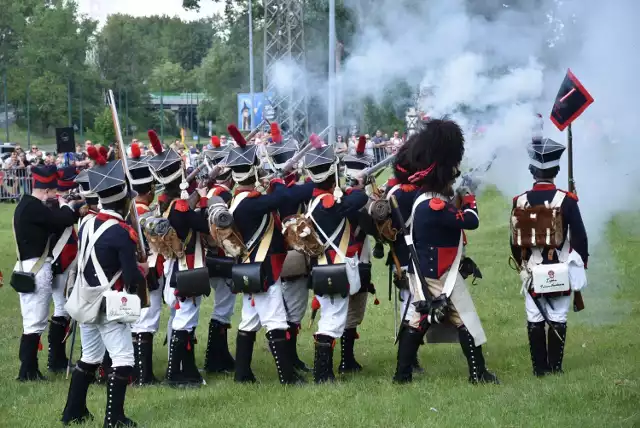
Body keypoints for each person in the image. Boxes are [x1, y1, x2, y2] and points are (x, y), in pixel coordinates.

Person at [392, 119, 498, 385]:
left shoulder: (429, 200)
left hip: (431, 271)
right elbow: (470, 221)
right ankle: (478, 374)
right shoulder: (434, 205)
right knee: (465, 321)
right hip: (438, 275)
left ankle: (402, 374)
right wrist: (470, 198)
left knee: (418, 322)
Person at [61, 146, 145, 427]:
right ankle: (114, 417)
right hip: (108, 302)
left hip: (85, 300)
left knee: (90, 357)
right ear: (123, 202)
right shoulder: (123, 233)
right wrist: (142, 274)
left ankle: (73, 411)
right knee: (123, 360)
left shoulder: (86, 221)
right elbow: (131, 277)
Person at [225, 124, 314, 385]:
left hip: (252, 268)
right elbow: (289, 195)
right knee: (276, 322)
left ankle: (242, 374)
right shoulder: (252, 202)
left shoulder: (243, 198)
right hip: (262, 269)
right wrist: (276, 181)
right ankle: (287, 378)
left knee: (249, 322)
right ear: (254, 170)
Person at [510, 138, 588, 376]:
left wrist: (523, 265)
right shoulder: (568, 200)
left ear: (532, 170)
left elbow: (514, 242)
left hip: (532, 267)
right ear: (556, 170)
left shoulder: (519, 200)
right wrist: (579, 266)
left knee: (535, 317)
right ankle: (555, 368)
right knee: (558, 316)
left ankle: (539, 369)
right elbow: (580, 239)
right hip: (561, 265)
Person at [146, 131, 210, 388]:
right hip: (184, 270)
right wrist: (202, 198)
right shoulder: (181, 207)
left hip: (173, 269)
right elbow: (203, 224)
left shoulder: (164, 202)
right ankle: (175, 374)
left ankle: (184, 370)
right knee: (185, 321)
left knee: (181, 320)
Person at [303, 142, 368, 383]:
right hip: (335, 268)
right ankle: (323, 374)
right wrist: (359, 185)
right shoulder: (329, 203)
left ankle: (325, 372)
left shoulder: (316, 200)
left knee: (331, 318)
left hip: (323, 267)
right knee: (331, 321)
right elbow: (359, 199)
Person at [12, 164, 79, 382]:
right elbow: (62, 220)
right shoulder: (35, 208)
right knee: (35, 322)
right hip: (36, 268)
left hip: (28, 266)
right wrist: (66, 205)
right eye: (52, 191)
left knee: (33, 321)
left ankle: (29, 369)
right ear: (47, 190)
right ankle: (27, 371)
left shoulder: (26, 204)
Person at [266, 135, 313, 374]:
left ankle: (289, 356)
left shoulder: (269, 185)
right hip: (290, 255)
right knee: (292, 312)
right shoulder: (286, 189)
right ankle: (288, 358)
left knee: (288, 310)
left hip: (275, 255)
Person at [384, 150, 424, 374]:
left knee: (407, 306)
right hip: (417, 255)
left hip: (399, 255)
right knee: (413, 308)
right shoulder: (421, 193)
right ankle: (408, 361)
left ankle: (409, 358)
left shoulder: (391, 192)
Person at [127, 142, 163, 386]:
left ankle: (139, 372)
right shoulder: (147, 215)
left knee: (137, 322)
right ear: (149, 190)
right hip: (146, 270)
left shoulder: (128, 211)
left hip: (130, 271)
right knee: (146, 322)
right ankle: (143, 375)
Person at [202, 139, 237, 375]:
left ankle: (220, 355)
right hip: (221, 257)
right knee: (223, 308)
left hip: (212, 257)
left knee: (223, 308)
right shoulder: (222, 194)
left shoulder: (212, 191)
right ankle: (216, 358)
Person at [47, 166, 81, 373]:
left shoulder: (57, 205)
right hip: (61, 263)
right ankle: (56, 360)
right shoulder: (60, 207)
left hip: (64, 262)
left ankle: (57, 358)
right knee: (61, 309)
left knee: (63, 310)